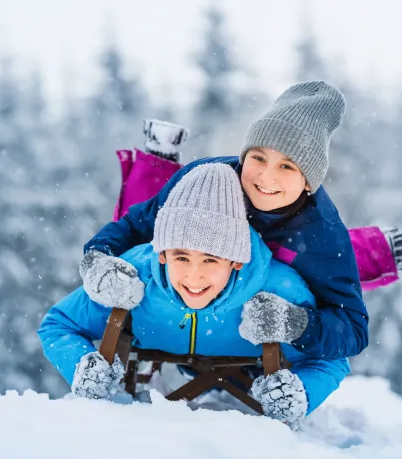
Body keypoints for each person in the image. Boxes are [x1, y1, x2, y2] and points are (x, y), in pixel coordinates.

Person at [81, 81, 379, 359]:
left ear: (308, 182)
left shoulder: (321, 233)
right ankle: (157, 163)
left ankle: (378, 249)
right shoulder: (205, 179)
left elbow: (353, 329)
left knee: (342, 268)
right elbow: (134, 225)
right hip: (188, 312)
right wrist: (97, 259)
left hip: (254, 341)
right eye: (258, 157)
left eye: (287, 166)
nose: (266, 176)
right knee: (150, 211)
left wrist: (295, 324)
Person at [38, 163, 350, 427]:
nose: (194, 275)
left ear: (236, 260)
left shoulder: (277, 291)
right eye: (181, 257)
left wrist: (301, 394)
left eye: (211, 260)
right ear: (161, 254)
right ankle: (155, 161)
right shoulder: (133, 279)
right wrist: (81, 365)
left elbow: (332, 357)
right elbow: (58, 323)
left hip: (248, 365)